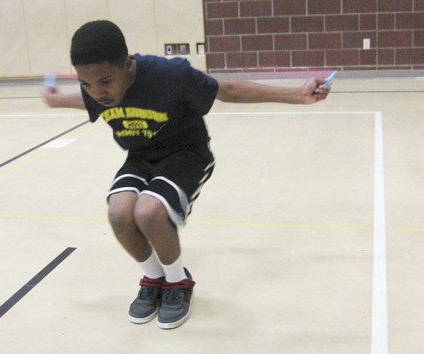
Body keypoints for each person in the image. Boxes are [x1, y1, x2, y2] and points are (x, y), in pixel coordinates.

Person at [43, 20, 331, 330]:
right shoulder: (98, 89)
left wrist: (295, 95)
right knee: (118, 214)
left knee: (149, 212)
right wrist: (55, 98)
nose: (97, 93)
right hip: (141, 157)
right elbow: (87, 100)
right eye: (86, 84)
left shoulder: (170, 76)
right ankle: (154, 278)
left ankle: (178, 283)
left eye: (104, 82)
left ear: (127, 64)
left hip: (186, 154)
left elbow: (228, 90)